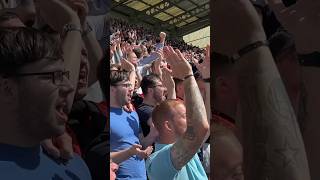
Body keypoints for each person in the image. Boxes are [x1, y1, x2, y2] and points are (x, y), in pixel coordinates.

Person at [0, 27, 91, 180]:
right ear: (8, 89)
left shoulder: (75, 167)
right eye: (53, 76)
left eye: (63, 75)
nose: (69, 87)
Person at [146, 46, 209, 180]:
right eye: (186, 116)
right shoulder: (158, 162)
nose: (191, 118)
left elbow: (206, 121)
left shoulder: (185, 147)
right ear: (168, 125)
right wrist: (188, 76)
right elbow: (200, 127)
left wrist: (208, 80)